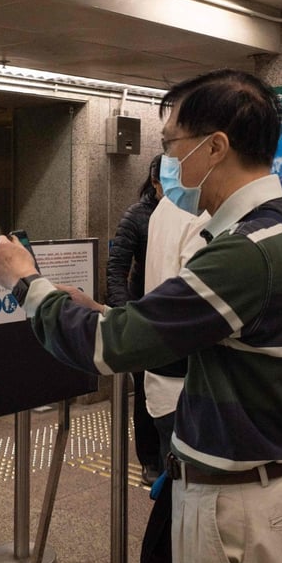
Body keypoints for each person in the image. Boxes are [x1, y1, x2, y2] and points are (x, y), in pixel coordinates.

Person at [0, 69, 282, 563]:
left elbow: (108, 349)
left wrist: (24, 280)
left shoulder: (245, 252)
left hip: (236, 509)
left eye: (172, 146)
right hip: (258, 491)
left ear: (215, 147)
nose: (167, 162)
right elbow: (196, 340)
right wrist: (103, 310)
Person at [142, 172, 209, 472]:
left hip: (159, 377)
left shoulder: (163, 206)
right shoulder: (203, 215)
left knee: (171, 481)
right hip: (188, 385)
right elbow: (197, 305)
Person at [106, 154, 164, 484]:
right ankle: (149, 458)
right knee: (143, 391)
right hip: (142, 314)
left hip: (174, 315)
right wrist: (126, 313)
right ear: (154, 181)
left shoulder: (190, 211)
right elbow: (115, 270)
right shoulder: (137, 215)